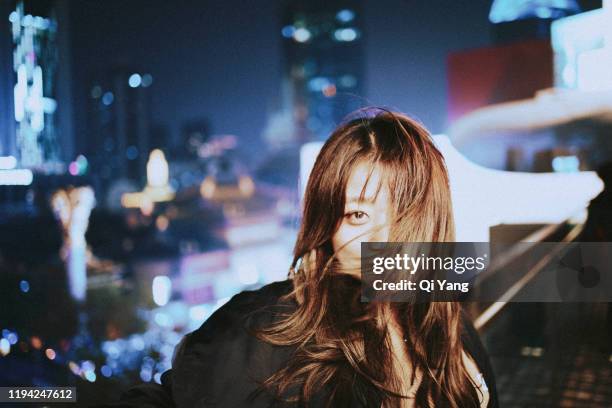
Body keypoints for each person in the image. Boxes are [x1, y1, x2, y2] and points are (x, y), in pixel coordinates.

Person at [100, 108, 498, 407]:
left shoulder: (456, 335)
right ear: (329, 227)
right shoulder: (274, 325)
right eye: (357, 214)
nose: (385, 238)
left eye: (404, 212)